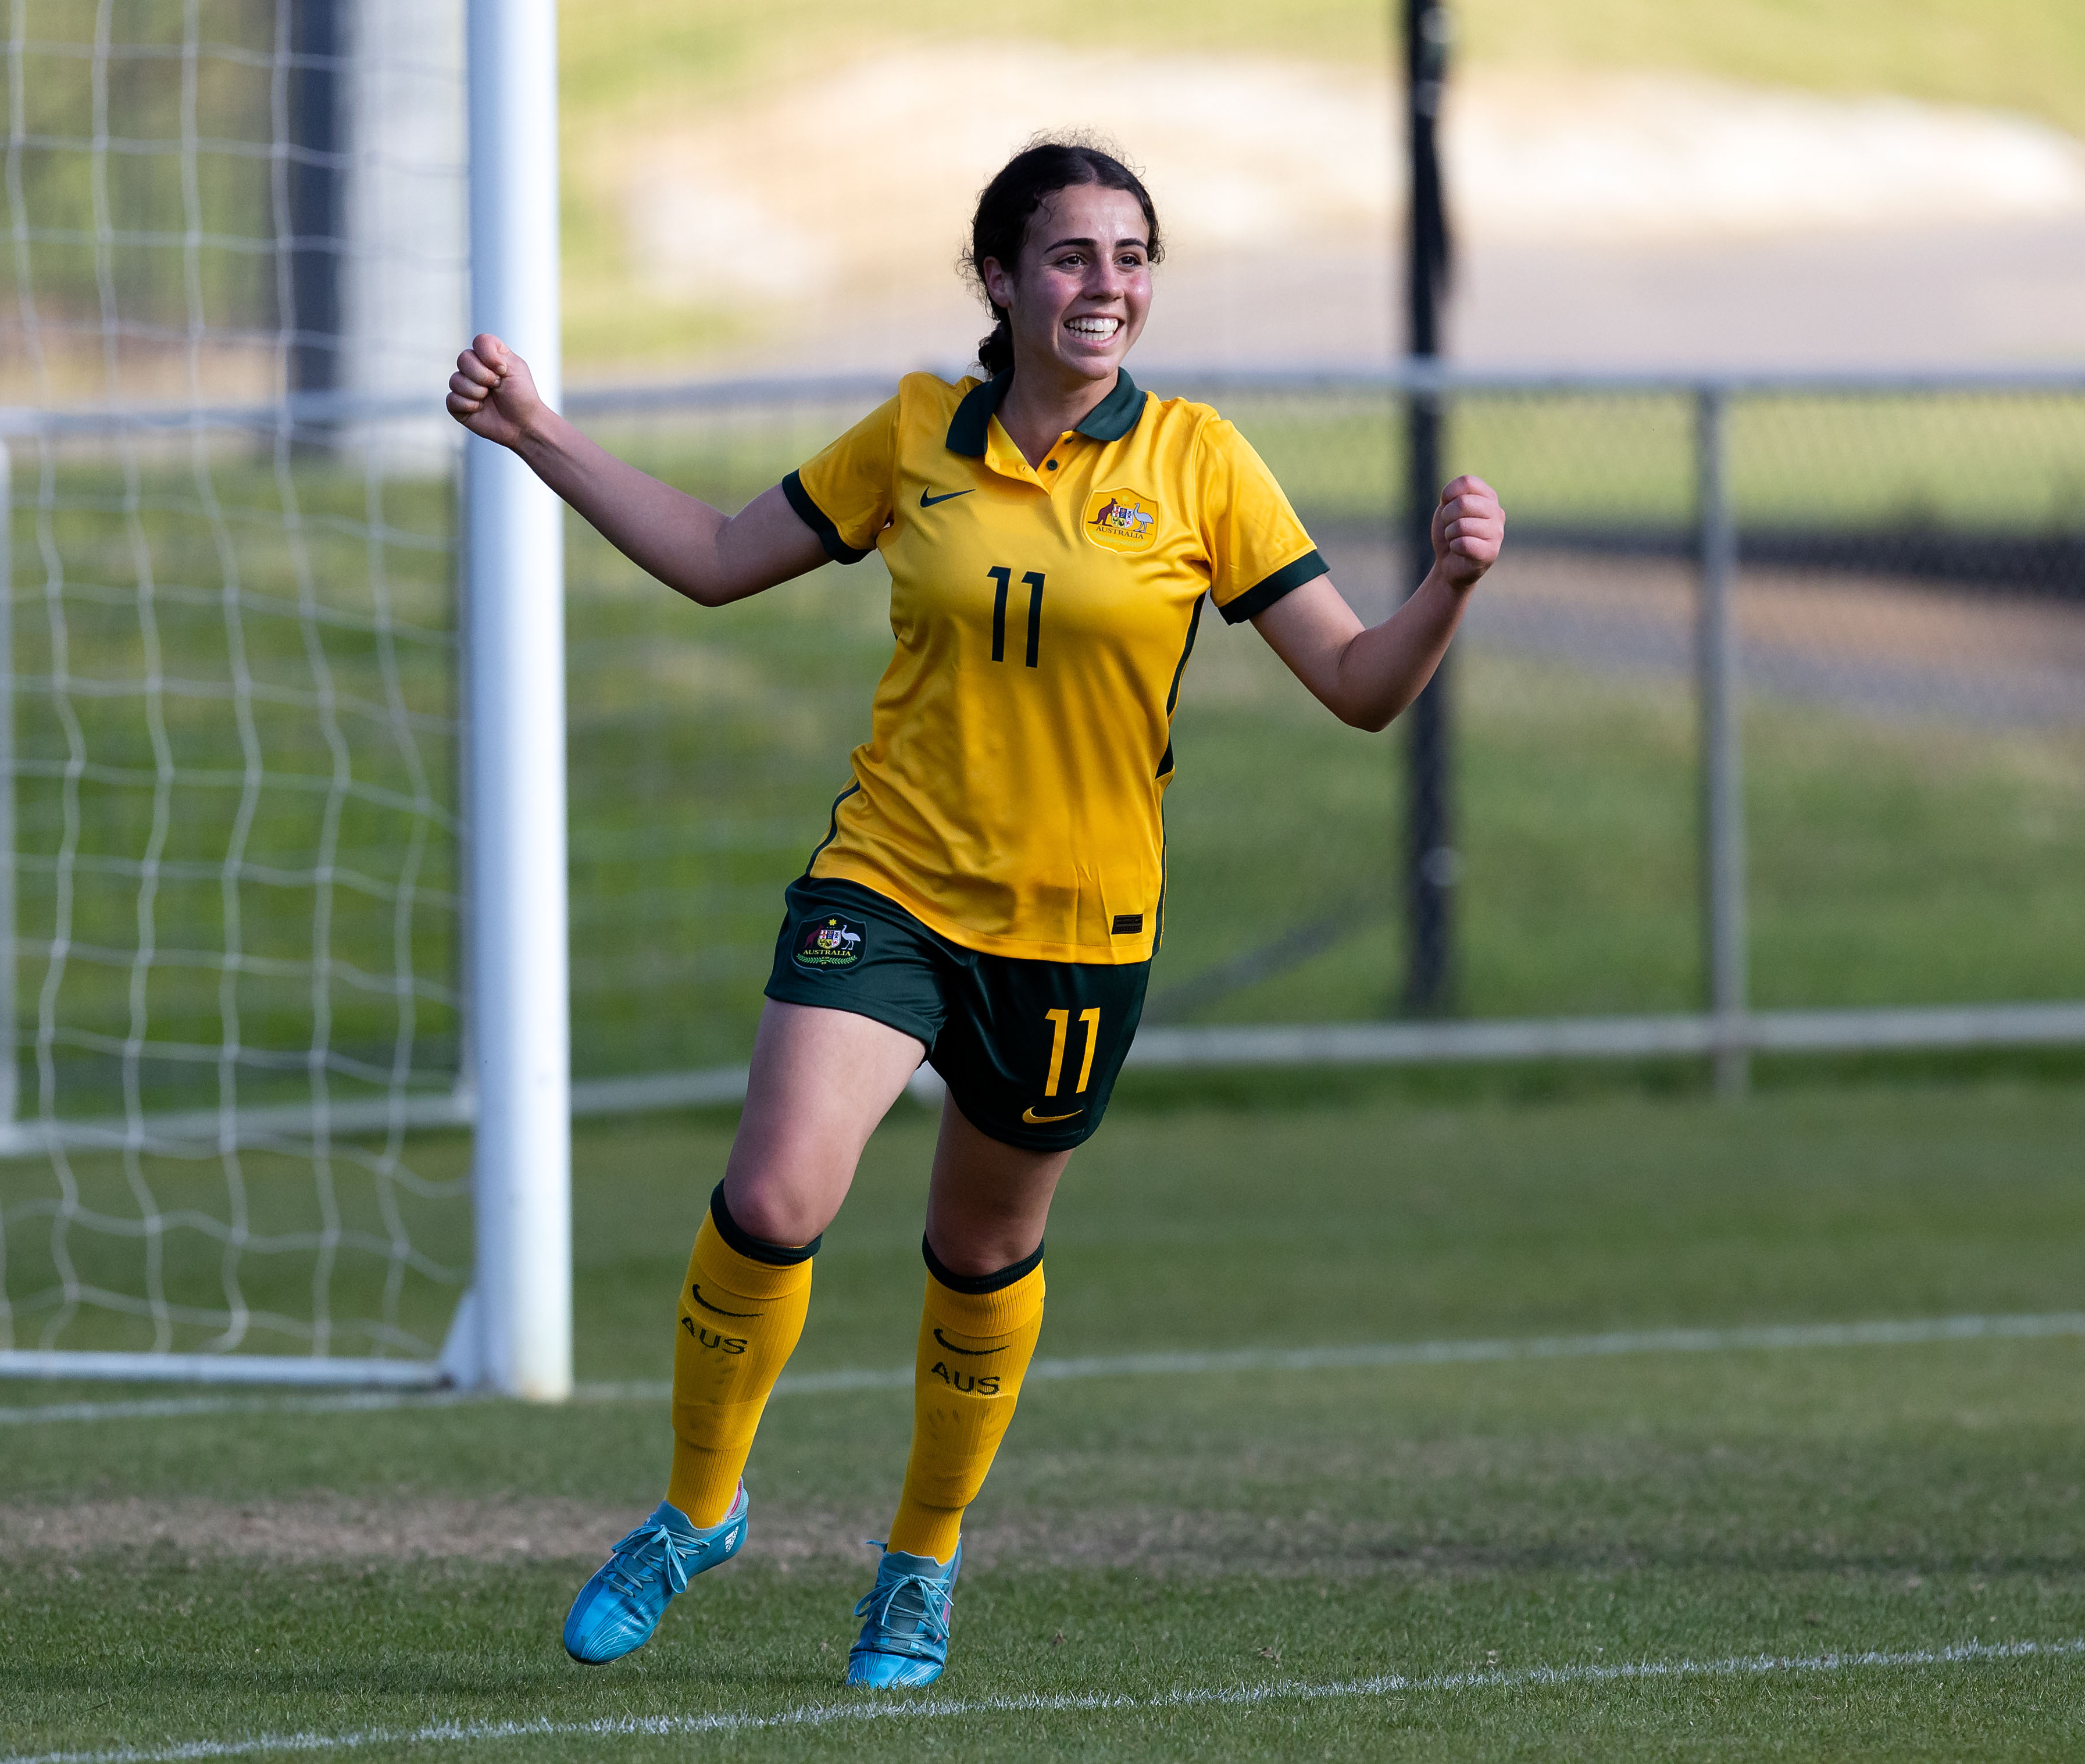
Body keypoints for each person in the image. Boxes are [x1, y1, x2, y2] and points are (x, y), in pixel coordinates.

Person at [445, 137, 1506, 1691]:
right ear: (999, 279)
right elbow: (719, 559)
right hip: (889, 879)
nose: (1108, 286)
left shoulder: (1200, 461)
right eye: (1073, 256)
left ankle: (921, 1557)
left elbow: (1357, 686)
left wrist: (1449, 590)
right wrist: (538, 431)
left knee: (978, 1252)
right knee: (774, 1193)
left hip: (1076, 934)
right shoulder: (913, 431)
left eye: (1131, 256)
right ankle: (693, 1510)